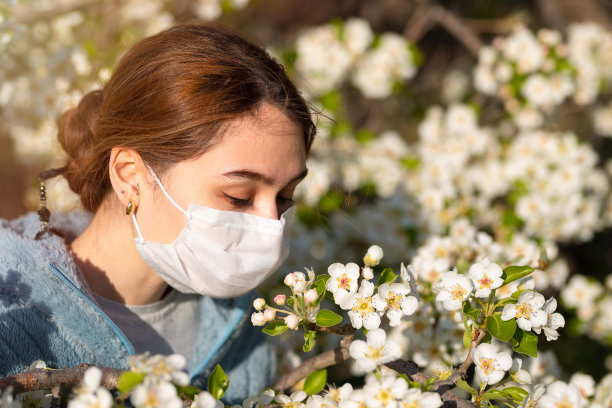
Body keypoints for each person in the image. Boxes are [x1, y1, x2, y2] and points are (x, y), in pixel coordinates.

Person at [0, 21, 315, 404]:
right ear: (130, 176)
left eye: (284, 197)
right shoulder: (12, 318)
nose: (271, 226)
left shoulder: (246, 340)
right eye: (238, 196)